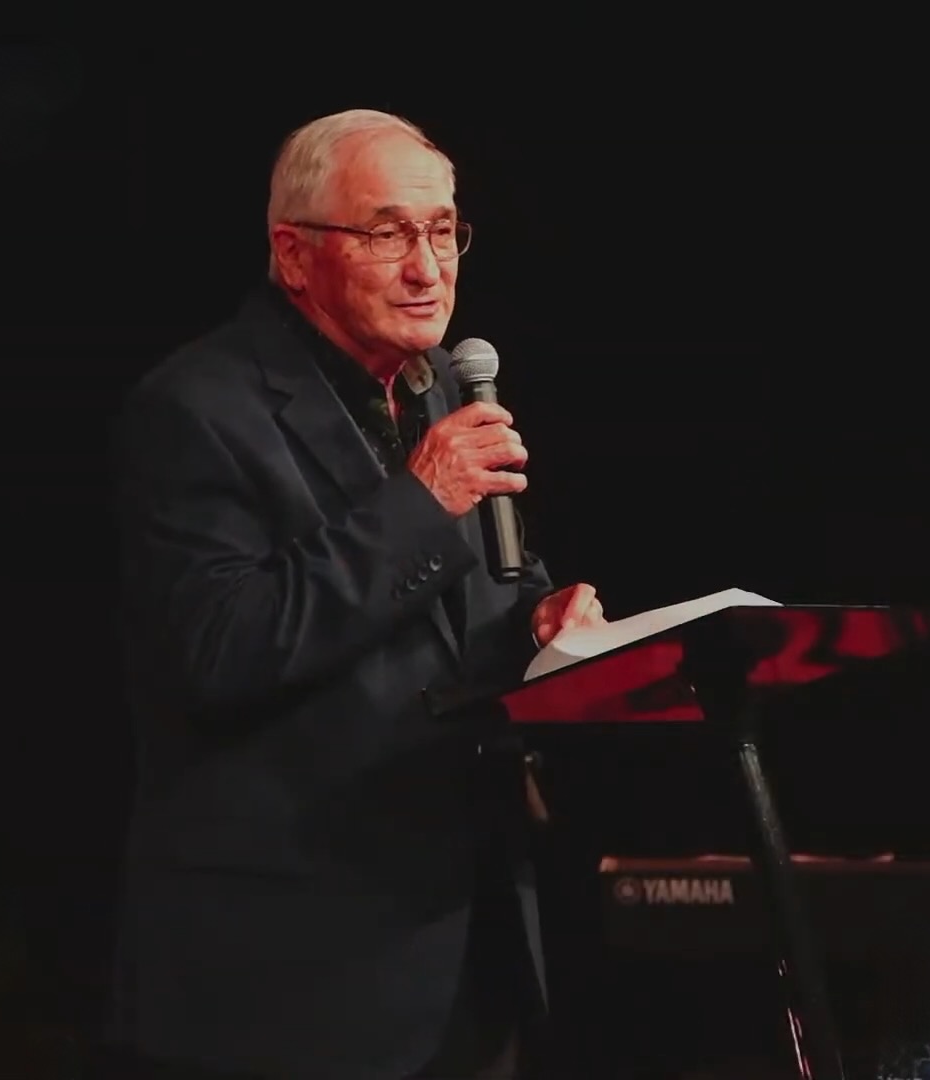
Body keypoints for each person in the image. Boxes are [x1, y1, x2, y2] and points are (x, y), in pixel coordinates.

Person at [99, 108, 606, 1079]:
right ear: (295, 255)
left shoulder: (441, 388)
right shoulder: (195, 409)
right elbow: (219, 650)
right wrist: (420, 502)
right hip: (291, 980)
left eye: (442, 230)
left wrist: (542, 619)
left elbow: (477, 593)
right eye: (386, 233)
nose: (427, 268)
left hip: (468, 946)